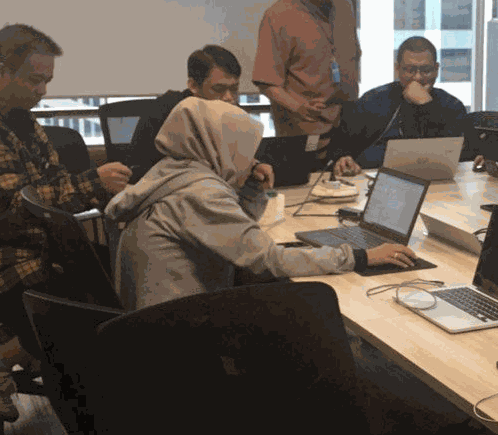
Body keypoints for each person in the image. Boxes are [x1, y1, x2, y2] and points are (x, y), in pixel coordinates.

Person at [0, 24, 133, 422]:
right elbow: (16, 205)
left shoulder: (19, 121)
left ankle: (60, 374)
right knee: (86, 313)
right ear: (1, 72)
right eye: (34, 80)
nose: (43, 90)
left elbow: (53, 183)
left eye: (47, 81)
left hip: (29, 247)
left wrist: (98, 190)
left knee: (116, 275)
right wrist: (92, 184)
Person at [106, 98, 416, 311]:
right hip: (179, 333)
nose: (250, 158)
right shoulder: (200, 192)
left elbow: (235, 235)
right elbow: (269, 259)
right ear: (220, 145)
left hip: (151, 320)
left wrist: (251, 188)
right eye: (243, 149)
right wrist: (361, 256)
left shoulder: (173, 171)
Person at [252, 0, 361, 158]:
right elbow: (267, 82)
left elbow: (353, 55)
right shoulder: (278, 16)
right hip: (303, 132)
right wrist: (299, 107)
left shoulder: (343, 5)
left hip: (346, 125)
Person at [331, 37, 468, 175]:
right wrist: (344, 160)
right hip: (373, 179)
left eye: (426, 70)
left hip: (438, 182)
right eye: (410, 70)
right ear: (397, 69)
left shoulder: (452, 106)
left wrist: (426, 104)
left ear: (436, 69)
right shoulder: (372, 101)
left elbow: (452, 157)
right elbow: (341, 149)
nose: (418, 78)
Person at [126, 44, 263, 182]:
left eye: (234, 89)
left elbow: (240, 160)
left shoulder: (233, 112)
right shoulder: (166, 110)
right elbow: (140, 167)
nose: (229, 97)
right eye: (218, 89)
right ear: (193, 86)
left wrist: (254, 167)